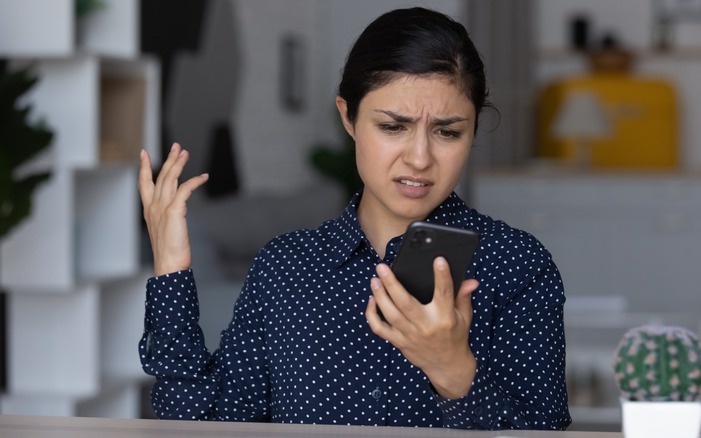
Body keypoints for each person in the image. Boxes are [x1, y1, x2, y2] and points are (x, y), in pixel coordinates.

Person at [138, 7, 571, 430]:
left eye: (448, 132)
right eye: (393, 127)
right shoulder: (286, 268)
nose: (420, 158)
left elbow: (543, 429)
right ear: (349, 117)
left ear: (473, 131)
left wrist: (454, 371)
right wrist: (170, 269)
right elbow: (200, 424)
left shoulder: (517, 267)